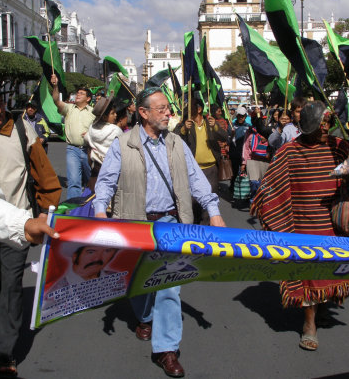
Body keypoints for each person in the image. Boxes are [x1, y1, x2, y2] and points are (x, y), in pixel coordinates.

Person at [94, 87, 225, 377]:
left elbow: (196, 180)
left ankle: (166, 349)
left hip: (171, 224)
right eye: (163, 108)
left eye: (168, 108)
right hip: (134, 224)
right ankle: (144, 316)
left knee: (169, 285)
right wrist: (101, 212)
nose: (169, 113)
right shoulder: (123, 144)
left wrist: (213, 212)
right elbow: (105, 182)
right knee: (138, 279)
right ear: (143, 113)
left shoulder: (177, 143)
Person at [251, 101, 349, 351]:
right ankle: (309, 325)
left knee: (329, 271)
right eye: (322, 124)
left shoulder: (340, 148)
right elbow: (271, 188)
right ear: (309, 125)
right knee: (307, 275)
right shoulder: (289, 152)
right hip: (303, 226)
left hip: (334, 225)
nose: (326, 128)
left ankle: (322, 307)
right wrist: (279, 220)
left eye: (329, 123)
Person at [0, 94, 61, 378]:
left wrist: (47, 213)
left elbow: (45, 174)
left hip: (18, 226)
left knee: (10, 287)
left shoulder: (23, 128)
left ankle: (5, 352)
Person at [175, 97, 228, 225]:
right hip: (192, 170)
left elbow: (225, 136)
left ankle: (206, 232)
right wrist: (183, 130)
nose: (188, 111)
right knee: (192, 203)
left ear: (199, 109)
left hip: (211, 170)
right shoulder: (185, 123)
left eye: (191, 108)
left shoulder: (210, 123)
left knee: (209, 204)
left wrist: (215, 126)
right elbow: (174, 137)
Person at [51, 74, 95, 199]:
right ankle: (74, 210)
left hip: (88, 150)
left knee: (90, 180)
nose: (78, 95)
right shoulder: (69, 108)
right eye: (77, 93)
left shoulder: (93, 112)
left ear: (88, 99)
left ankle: (90, 205)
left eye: (81, 93)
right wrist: (55, 86)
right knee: (74, 181)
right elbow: (56, 101)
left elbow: (98, 129)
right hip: (72, 149)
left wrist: (90, 134)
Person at [229, 106, 250, 195]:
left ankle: (244, 191)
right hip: (234, 153)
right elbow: (229, 140)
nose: (240, 118)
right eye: (239, 116)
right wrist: (232, 135)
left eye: (242, 116)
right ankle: (233, 188)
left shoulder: (249, 127)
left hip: (245, 154)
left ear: (245, 116)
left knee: (245, 173)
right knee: (234, 173)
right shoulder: (232, 126)